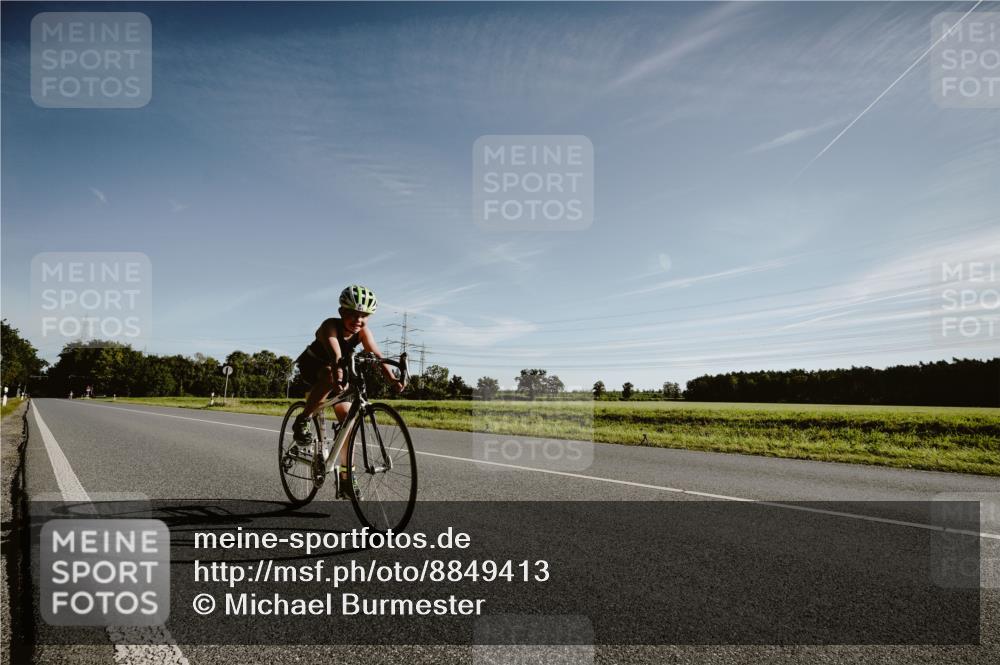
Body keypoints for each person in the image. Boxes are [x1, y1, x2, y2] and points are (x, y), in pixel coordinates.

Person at [292, 285, 403, 498]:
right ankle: (303, 419)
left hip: (338, 371)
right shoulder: (329, 326)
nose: (358, 319)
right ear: (341, 312)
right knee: (332, 375)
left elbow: (377, 356)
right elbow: (335, 356)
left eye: (364, 316)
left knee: (347, 422)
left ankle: (345, 480)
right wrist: (340, 374)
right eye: (352, 313)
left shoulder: (363, 332)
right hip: (313, 369)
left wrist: (392, 378)